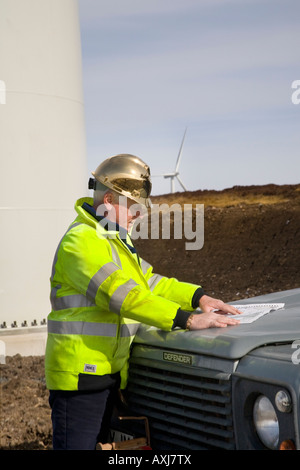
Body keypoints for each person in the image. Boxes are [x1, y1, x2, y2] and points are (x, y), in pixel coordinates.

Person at [45, 153, 241, 450]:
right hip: (80, 379)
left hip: (107, 373)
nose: (138, 215)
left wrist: (198, 297)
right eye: (133, 207)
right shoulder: (81, 242)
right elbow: (125, 297)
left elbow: (150, 283)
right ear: (109, 200)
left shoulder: (115, 241)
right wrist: (185, 318)